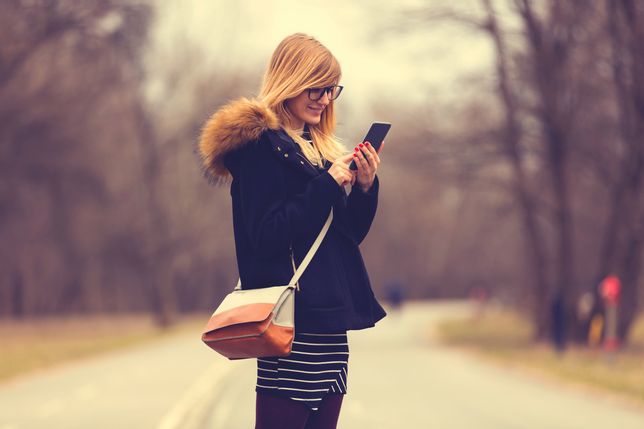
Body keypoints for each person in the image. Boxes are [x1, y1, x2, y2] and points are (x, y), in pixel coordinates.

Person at [197, 33, 387, 429]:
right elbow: (266, 236)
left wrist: (366, 188)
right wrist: (327, 185)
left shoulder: (320, 150)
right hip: (291, 327)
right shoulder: (259, 150)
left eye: (331, 88)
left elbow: (345, 237)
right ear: (290, 80)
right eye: (315, 87)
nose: (324, 98)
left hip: (331, 328)